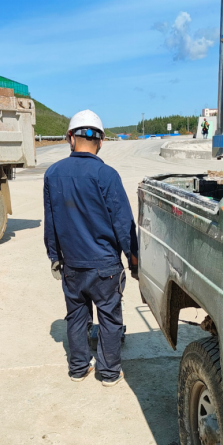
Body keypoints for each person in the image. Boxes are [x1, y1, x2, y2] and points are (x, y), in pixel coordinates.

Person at [44, 110, 138, 387]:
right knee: (109, 318)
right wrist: (134, 261)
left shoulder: (53, 174)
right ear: (101, 141)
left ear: (70, 138)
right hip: (105, 267)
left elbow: (51, 221)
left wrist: (54, 256)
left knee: (76, 316)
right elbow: (124, 224)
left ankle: (78, 369)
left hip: (72, 265)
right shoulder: (106, 175)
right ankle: (109, 373)